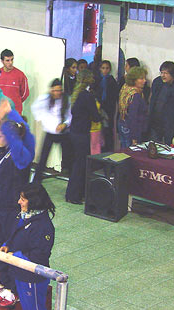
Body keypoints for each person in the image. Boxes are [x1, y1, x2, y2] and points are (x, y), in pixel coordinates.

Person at [1, 183, 54, 310]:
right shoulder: (26, 216)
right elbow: (17, 236)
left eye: (22, 199)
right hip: (20, 273)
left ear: (33, 201)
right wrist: (8, 244)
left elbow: (38, 256)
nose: (19, 202)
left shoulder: (43, 226)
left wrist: (14, 256)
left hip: (33, 277)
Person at [0, 102, 35, 307]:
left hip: (11, 210)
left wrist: (12, 112)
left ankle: (14, 289)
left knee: (11, 248)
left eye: (0, 136)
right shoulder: (1, 152)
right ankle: (6, 281)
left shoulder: (19, 156)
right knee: (0, 246)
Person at [65, 69, 101, 204]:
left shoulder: (77, 94)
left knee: (77, 164)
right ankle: (75, 195)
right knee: (81, 165)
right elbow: (96, 117)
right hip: (82, 134)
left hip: (74, 132)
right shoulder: (87, 96)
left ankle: (73, 193)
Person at [32, 78, 72, 182]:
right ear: (51, 90)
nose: (56, 93)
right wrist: (41, 120)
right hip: (50, 133)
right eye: (54, 90)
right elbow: (35, 108)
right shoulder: (44, 99)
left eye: (59, 90)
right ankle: (36, 182)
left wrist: (65, 124)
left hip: (63, 133)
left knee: (69, 159)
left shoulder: (66, 99)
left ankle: (71, 183)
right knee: (43, 159)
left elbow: (70, 115)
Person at [117, 66, 149, 148]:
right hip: (131, 129)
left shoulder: (126, 88)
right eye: (141, 79)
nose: (144, 81)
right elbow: (133, 117)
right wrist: (134, 137)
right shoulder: (135, 95)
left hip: (122, 124)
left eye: (144, 78)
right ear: (134, 80)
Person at [0, 49, 29, 115]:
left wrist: (15, 103)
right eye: (7, 60)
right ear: (2, 61)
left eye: (12, 59)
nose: (10, 62)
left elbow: (25, 94)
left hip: (15, 113)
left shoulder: (20, 75)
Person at [95, 60, 118, 151]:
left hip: (108, 109)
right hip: (98, 108)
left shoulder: (111, 81)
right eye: (103, 68)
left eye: (107, 68)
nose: (105, 70)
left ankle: (108, 150)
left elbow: (114, 96)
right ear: (100, 69)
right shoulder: (97, 80)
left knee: (108, 130)